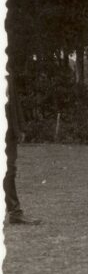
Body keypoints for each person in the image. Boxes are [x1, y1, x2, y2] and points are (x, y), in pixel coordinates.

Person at [5, 73, 41, 225]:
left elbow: (14, 102)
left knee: (9, 171)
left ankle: (15, 213)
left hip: (8, 131)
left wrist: (20, 127)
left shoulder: (7, 72)